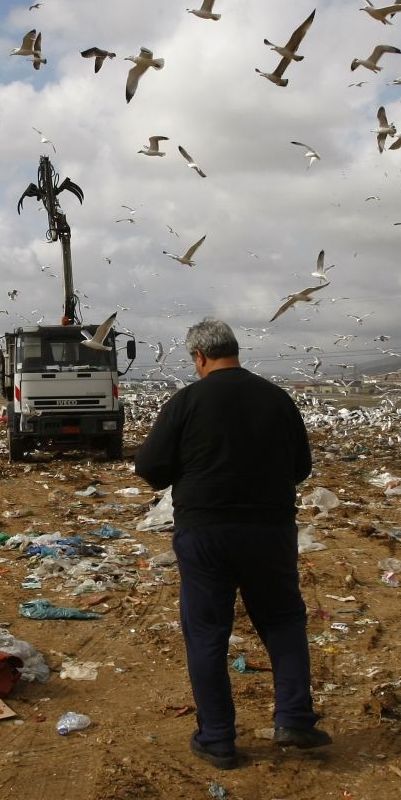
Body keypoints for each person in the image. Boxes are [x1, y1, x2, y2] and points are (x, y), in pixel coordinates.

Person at [134, 318, 329, 770]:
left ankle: (218, 738)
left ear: (199, 357)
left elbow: (150, 469)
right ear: (235, 350)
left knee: (206, 633)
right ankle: (295, 718)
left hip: (205, 534)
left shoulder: (186, 401)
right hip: (269, 531)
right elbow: (301, 468)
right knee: (282, 620)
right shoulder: (277, 399)